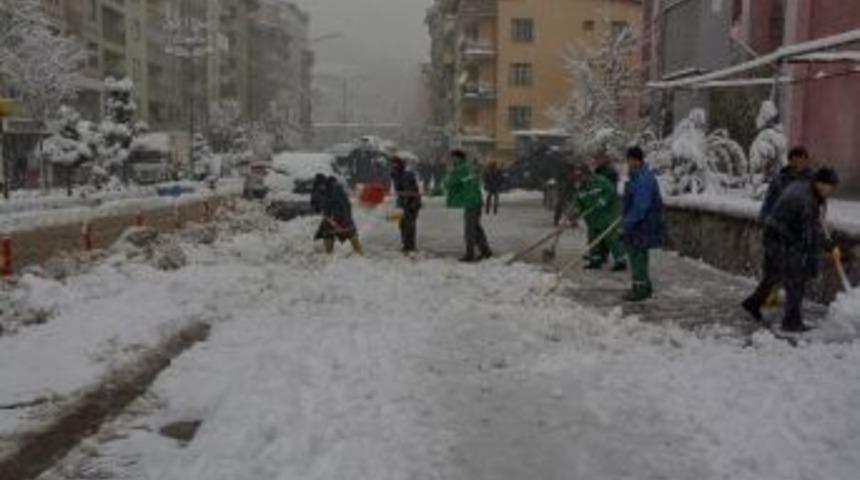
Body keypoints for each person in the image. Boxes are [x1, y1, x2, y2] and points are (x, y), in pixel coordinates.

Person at [742, 167, 840, 333]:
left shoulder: (805, 186)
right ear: (821, 183)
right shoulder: (807, 200)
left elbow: (811, 225)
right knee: (795, 279)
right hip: (782, 239)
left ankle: (753, 303)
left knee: (774, 274)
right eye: (830, 187)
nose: (831, 191)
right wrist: (827, 246)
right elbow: (808, 233)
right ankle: (791, 323)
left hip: (775, 234)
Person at [621, 146, 667, 302]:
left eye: (629, 160)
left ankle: (640, 290)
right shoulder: (637, 176)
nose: (628, 163)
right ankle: (643, 286)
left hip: (643, 224)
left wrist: (628, 221)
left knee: (638, 256)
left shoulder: (643, 178)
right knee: (637, 255)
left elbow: (641, 205)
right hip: (640, 223)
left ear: (635, 160)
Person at [572, 164, 626, 271]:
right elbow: (578, 200)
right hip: (592, 218)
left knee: (611, 239)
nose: (579, 179)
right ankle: (595, 261)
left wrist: (603, 200)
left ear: (587, 174)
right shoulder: (580, 187)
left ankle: (620, 261)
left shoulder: (601, 181)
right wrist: (576, 210)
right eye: (577, 177)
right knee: (593, 239)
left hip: (608, 215)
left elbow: (611, 192)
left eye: (581, 176)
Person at [446, 149, 492, 262]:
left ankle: (470, 254)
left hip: (471, 201)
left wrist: (437, 190)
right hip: (475, 200)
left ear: (458, 158)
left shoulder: (461, 169)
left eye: (453, 158)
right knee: (476, 228)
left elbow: (449, 183)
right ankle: (485, 251)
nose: (451, 160)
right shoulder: (468, 167)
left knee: (470, 229)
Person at [759, 146, 813, 222]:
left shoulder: (812, 181)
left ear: (806, 162)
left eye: (801, 162)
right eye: (795, 162)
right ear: (789, 161)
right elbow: (769, 202)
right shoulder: (779, 180)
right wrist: (764, 218)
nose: (798, 165)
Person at [313, 175, 363, 255]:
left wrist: (341, 218)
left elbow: (343, 204)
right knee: (327, 232)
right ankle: (329, 253)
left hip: (342, 216)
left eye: (320, 186)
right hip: (333, 217)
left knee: (350, 232)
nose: (320, 188)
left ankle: (359, 253)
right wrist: (322, 209)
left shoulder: (335, 189)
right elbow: (325, 203)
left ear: (323, 183)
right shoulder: (327, 189)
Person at [390, 156, 422, 254]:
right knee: (402, 225)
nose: (394, 167)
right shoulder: (396, 175)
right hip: (403, 203)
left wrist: (407, 205)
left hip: (412, 203)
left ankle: (410, 246)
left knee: (409, 225)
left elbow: (409, 191)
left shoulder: (407, 175)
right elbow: (399, 192)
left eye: (396, 165)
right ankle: (406, 245)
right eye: (393, 165)